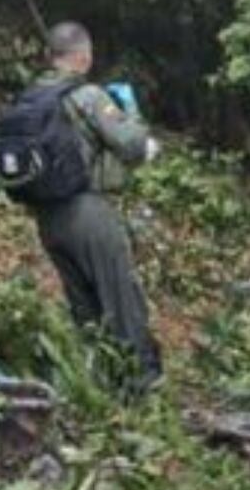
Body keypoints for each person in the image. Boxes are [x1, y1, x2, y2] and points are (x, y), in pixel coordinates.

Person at [29, 21, 162, 391]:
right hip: (86, 211)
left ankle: (97, 386)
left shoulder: (31, 98)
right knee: (120, 297)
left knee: (83, 305)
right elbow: (132, 145)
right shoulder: (87, 96)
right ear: (84, 57)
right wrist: (134, 117)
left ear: (49, 56)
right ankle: (141, 384)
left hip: (46, 218)